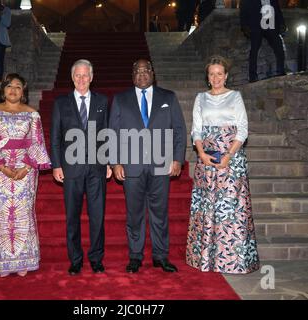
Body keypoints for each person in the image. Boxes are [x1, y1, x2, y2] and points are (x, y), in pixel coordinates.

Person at [109, 59, 187, 273]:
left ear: (153, 72)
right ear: (132, 75)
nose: (142, 74)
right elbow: (113, 133)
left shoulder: (168, 97)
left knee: (160, 213)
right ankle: (135, 256)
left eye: (146, 70)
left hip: (161, 165)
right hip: (131, 166)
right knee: (134, 215)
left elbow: (179, 130)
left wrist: (178, 159)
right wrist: (115, 162)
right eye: (137, 71)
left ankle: (160, 256)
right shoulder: (120, 99)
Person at [186, 55, 260, 274]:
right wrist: (200, 153)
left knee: (231, 210)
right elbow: (196, 129)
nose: (216, 77)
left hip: (232, 160)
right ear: (207, 77)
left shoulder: (235, 96)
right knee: (207, 208)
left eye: (220, 73)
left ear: (226, 76)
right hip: (206, 160)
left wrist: (228, 155)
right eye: (212, 74)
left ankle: (234, 261)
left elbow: (243, 129)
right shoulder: (200, 98)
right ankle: (205, 258)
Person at [0, 73, 51, 277]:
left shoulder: (32, 114)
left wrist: (25, 167)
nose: (13, 90)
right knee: (3, 212)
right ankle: (3, 261)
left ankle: (24, 260)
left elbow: (37, 143)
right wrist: (3, 167)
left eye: (17, 86)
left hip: (27, 169)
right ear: (3, 90)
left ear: (23, 91)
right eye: (9, 86)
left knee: (23, 212)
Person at [50, 59, 111, 275]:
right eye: (78, 75)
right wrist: (56, 164)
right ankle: (75, 259)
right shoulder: (61, 103)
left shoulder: (103, 100)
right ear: (72, 78)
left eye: (86, 75)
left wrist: (109, 162)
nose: (82, 79)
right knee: (72, 217)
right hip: (71, 168)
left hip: (96, 167)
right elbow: (55, 136)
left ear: (92, 77)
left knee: (97, 216)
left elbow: (106, 134)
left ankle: (96, 258)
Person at [240, 0, 286, 82]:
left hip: (271, 23)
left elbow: (277, 9)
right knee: (254, 50)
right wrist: (244, 26)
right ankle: (253, 76)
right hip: (256, 24)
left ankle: (281, 71)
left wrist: (282, 23)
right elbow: (243, 9)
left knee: (279, 47)